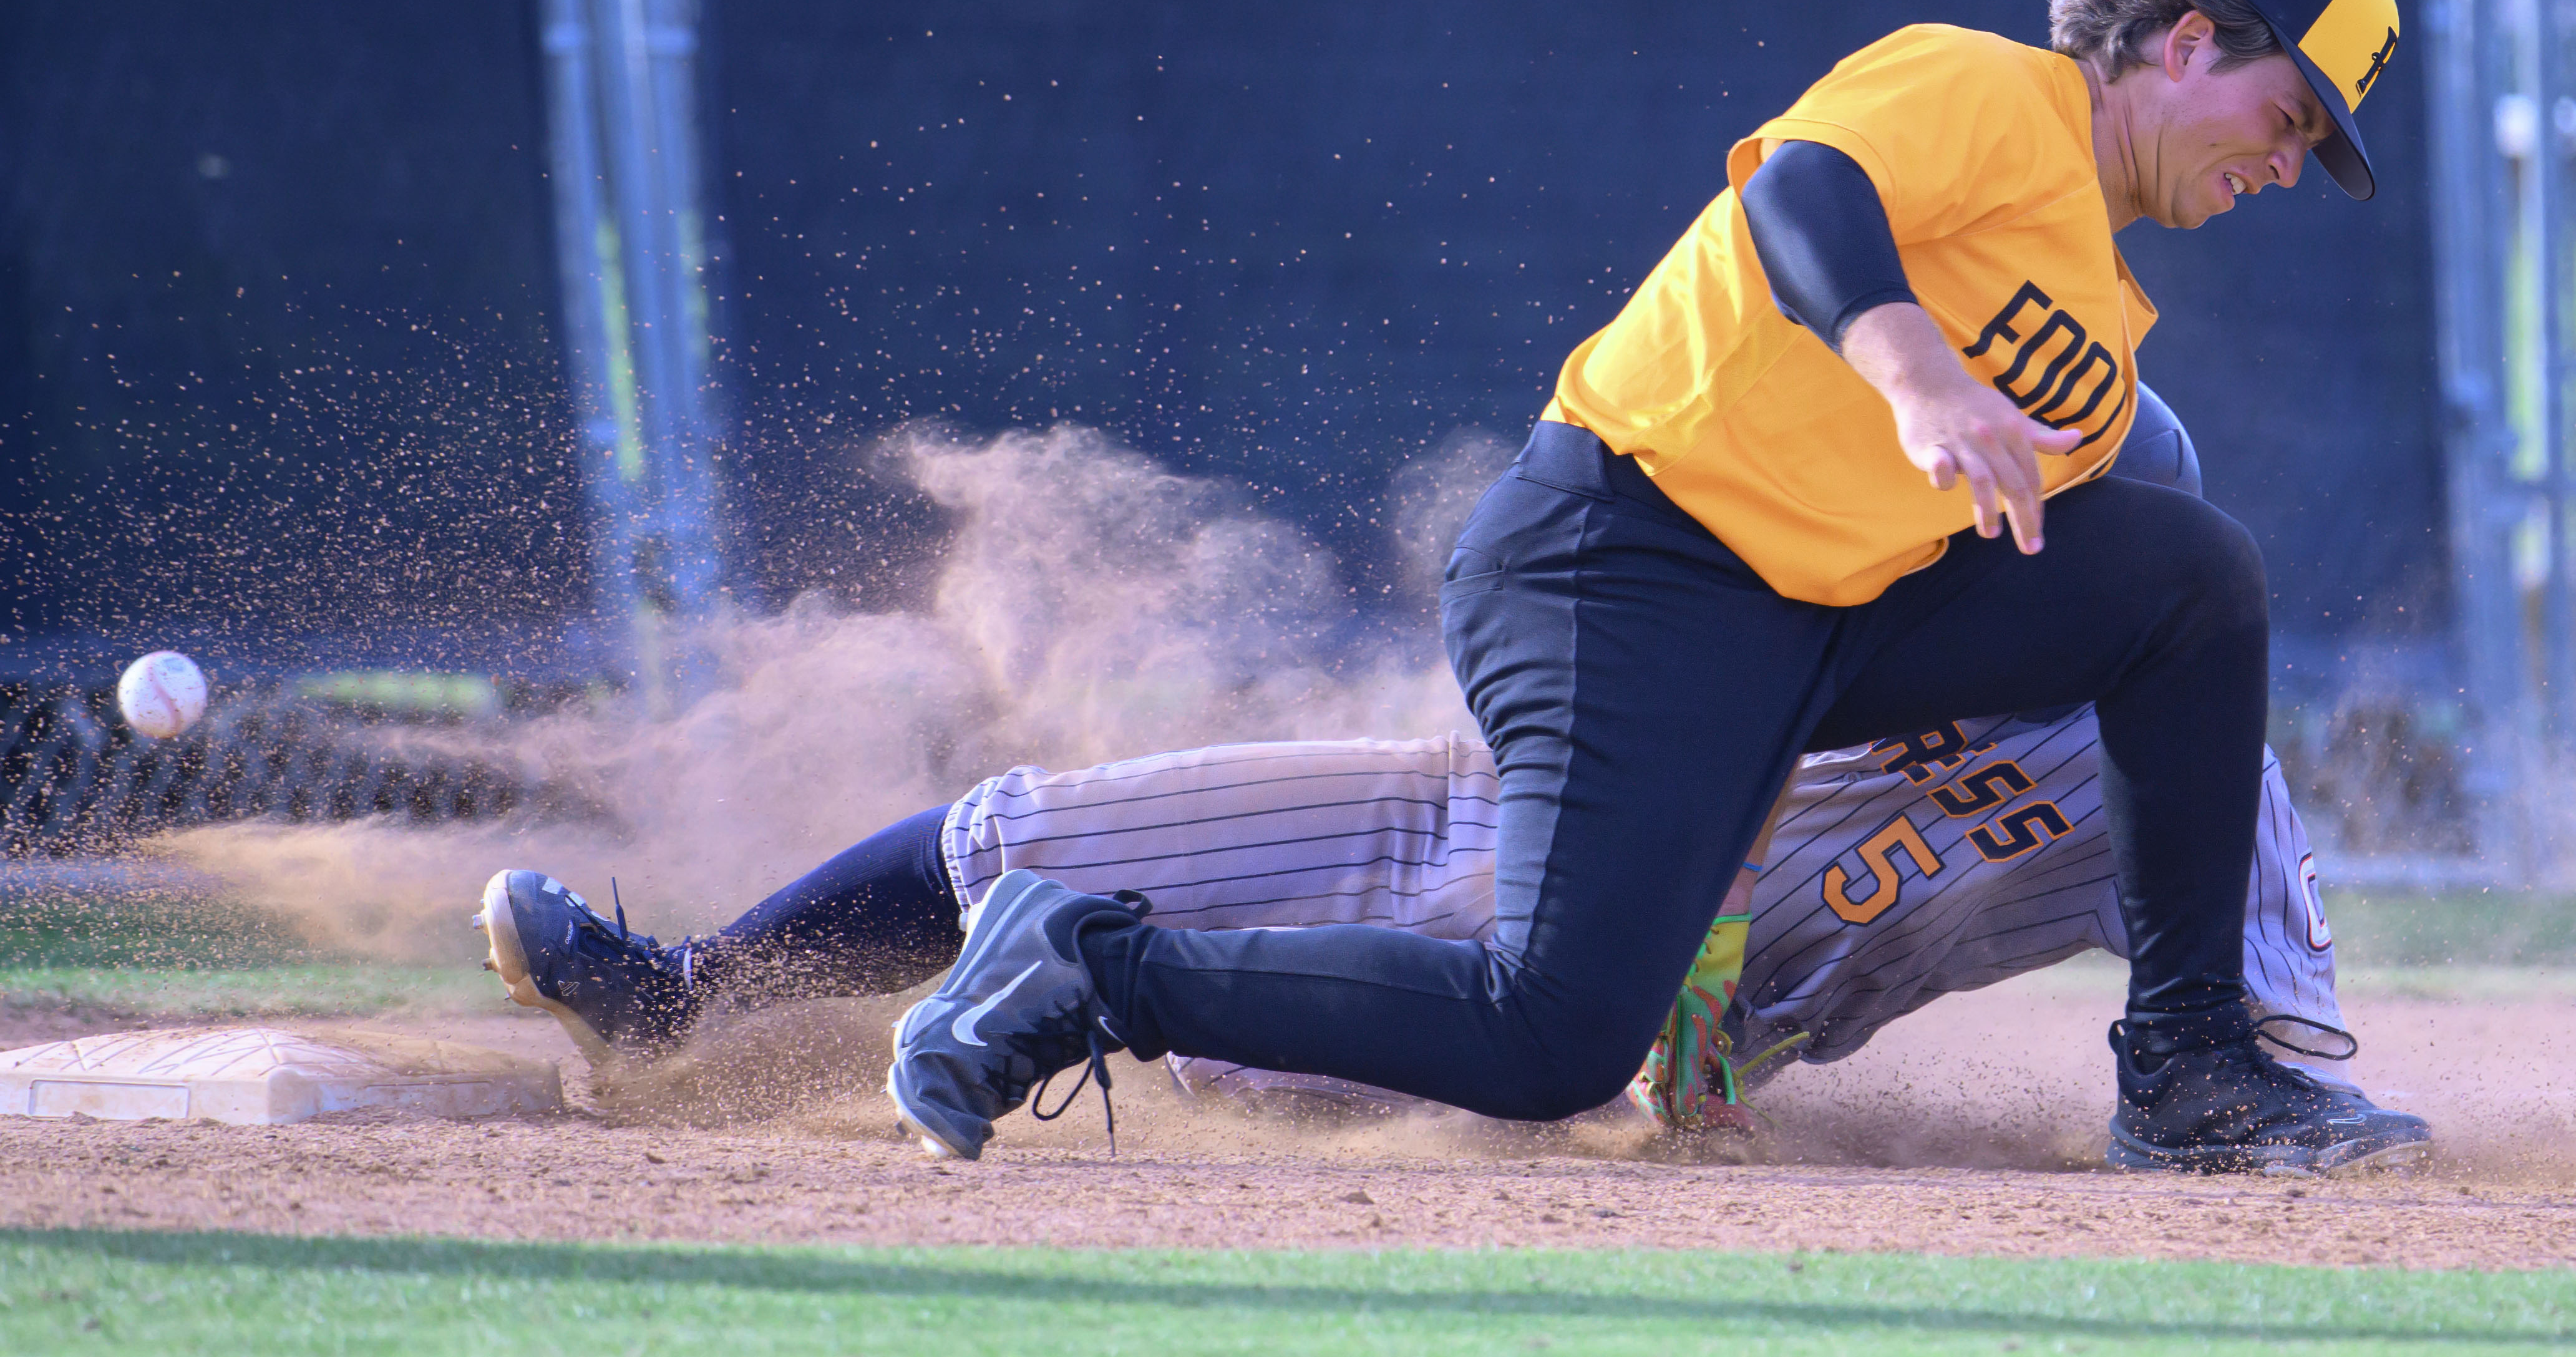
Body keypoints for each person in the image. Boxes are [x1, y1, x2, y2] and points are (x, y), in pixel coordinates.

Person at [872, 0, 2409, 1174]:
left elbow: (1834, 622)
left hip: (1798, 634)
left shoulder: (2107, 341)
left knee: (2191, 580)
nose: (2288, 164)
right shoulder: (1997, 94)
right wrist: (1915, 368)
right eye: (2290, 116)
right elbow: (1802, 192)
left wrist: (1713, 960)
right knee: (1548, 1038)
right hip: (1620, 557)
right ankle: (1081, 963)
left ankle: (2189, 1064)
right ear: (2186, 41)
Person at [482, 391, 2431, 1174]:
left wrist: (1724, 1049)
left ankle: (1072, 1004)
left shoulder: (2185, 755)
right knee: (1056, 823)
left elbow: (2269, 1025)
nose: (1994, 544)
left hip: (1629, 968)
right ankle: (685, 1001)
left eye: (2043, 524)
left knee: (1338, 1040)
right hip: (1507, 789)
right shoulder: (1859, 575)